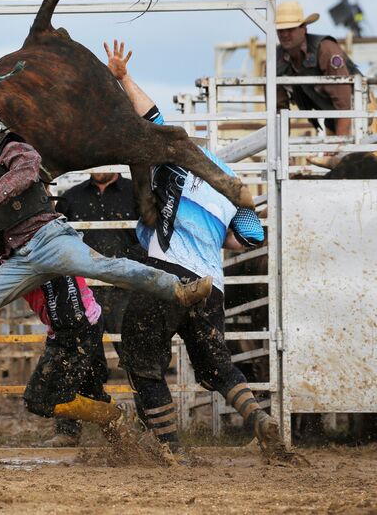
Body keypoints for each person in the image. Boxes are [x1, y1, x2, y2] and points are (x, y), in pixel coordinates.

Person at [0, 107, 214, 415]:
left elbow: (23, 174)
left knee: (105, 267)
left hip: (49, 239)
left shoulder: (15, 149)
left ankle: (178, 290)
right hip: (20, 257)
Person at [105, 39, 286, 457]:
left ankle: (169, 447)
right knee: (216, 364)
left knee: (142, 359)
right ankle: (258, 417)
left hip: (164, 274)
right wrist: (214, 235)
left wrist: (124, 77)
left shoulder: (173, 160)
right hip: (210, 283)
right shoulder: (229, 183)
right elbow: (249, 236)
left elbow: (151, 116)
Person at [45, 171, 142, 445]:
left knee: (136, 355)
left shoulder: (135, 192)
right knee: (80, 356)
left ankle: (150, 425)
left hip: (124, 287)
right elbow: (59, 239)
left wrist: (127, 264)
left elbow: (146, 236)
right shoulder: (71, 197)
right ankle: (68, 430)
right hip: (84, 290)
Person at [23, 275, 117, 445]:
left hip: (81, 322)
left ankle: (115, 426)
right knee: (89, 386)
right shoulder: (14, 259)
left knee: (59, 389)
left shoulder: (42, 253)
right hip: (73, 323)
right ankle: (118, 431)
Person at [276, 0, 361, 136]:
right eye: (280, 30)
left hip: (359, 117)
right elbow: (278, 109)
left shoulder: (326, 50)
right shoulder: (276, 60)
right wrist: (281, 149)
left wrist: (339, 144)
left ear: (303, 29)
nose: (284, 34)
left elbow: (344, 103)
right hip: (334, 118)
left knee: (352, 154)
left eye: (290, 29)